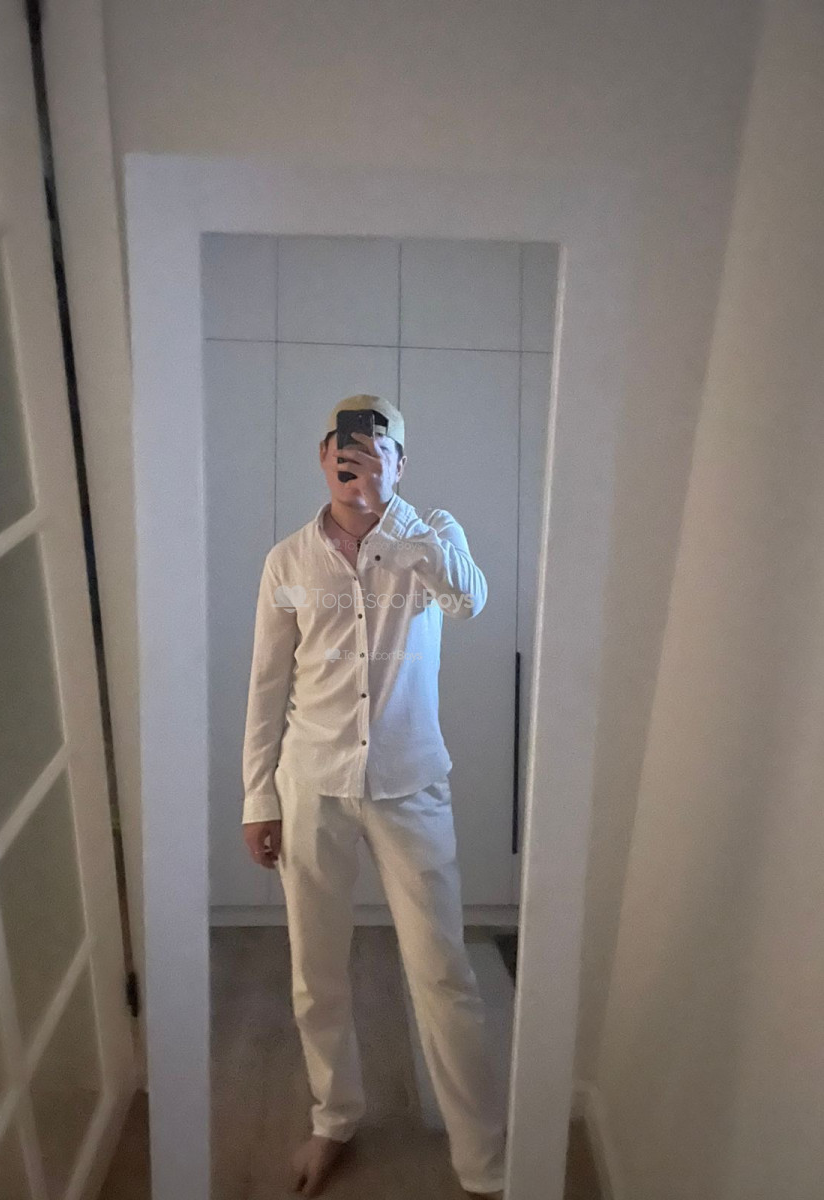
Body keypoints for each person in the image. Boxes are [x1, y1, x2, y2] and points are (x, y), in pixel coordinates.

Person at [241, 393, 507, 1198]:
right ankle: (334, 1118)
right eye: (346, 447)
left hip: (410, 785)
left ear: (400, 463)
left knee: (443, 972)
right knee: (315, 970)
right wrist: (258, 797)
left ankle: (485, 1162)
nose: (358, 460)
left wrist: (393, 517)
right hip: (312, 782)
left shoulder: (433, 537)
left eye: (378, 448)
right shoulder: (289, 561)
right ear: (324, 457)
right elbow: (267, 685)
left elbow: (469, 601)